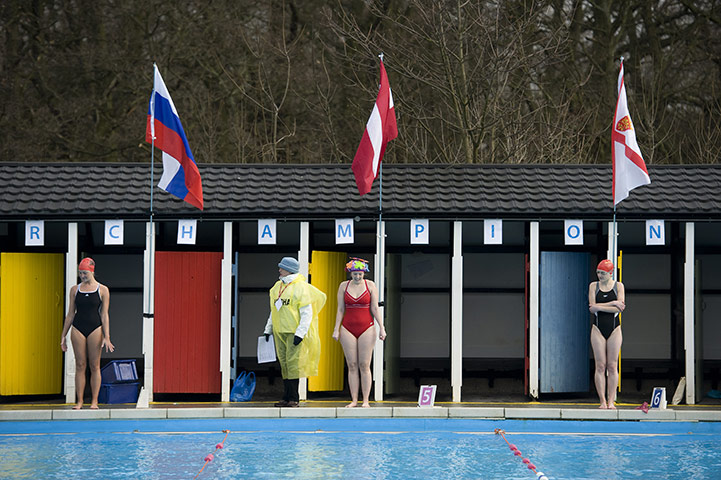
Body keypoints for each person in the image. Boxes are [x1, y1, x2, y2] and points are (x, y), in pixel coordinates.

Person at [263, 257, 326, 407]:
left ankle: (293, 397)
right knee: (284, 364)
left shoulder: (301, 287)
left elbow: (306, 313)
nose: (279, 270)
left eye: (282, 268)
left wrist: (300, 333)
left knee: (292, 365)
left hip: (292, 331)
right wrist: (268, 329)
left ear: (289, 269)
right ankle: (286, 396)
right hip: (280, 331)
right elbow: (274, 310)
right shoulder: (277, 287)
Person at [60, 257, 114, 409]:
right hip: (77, 327)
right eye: (80, 273)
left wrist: (107, 336)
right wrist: (63, 335)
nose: (82, 276)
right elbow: (70, 314)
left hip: (95, 328)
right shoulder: (74, 290)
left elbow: (104, 314)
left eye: (84, 273)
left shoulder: (103, 290)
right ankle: (80, 401)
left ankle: (95, 401)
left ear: (92, 271)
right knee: (80, 364)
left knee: (94, 365)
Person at [332, 258, 386, 408]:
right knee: (352, 364)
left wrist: (382, 327)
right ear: (350, 274)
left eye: (360, 274)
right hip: (347, 327)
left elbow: (375, 308)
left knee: (364, 364)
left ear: (364, 274)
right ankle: (354, 399)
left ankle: (366, 400)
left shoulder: (370, 285)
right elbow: (340, 309)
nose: (357, 277)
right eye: (355, 274)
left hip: (367, 327)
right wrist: (336, 329)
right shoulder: (343, 286)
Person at [588, 259, 625, 409]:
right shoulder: (593, 286)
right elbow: (591, 308)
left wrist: (600, 306)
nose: (600, 275)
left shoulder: (618, 286)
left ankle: (611, 401)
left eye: (603, 273)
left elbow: (620, 308)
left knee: (612, 365)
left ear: (610, 273)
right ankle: (602, 401)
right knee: (600, 365)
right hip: (597, 328)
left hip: (615, 329)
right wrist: (612, 303)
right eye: (598, 272)